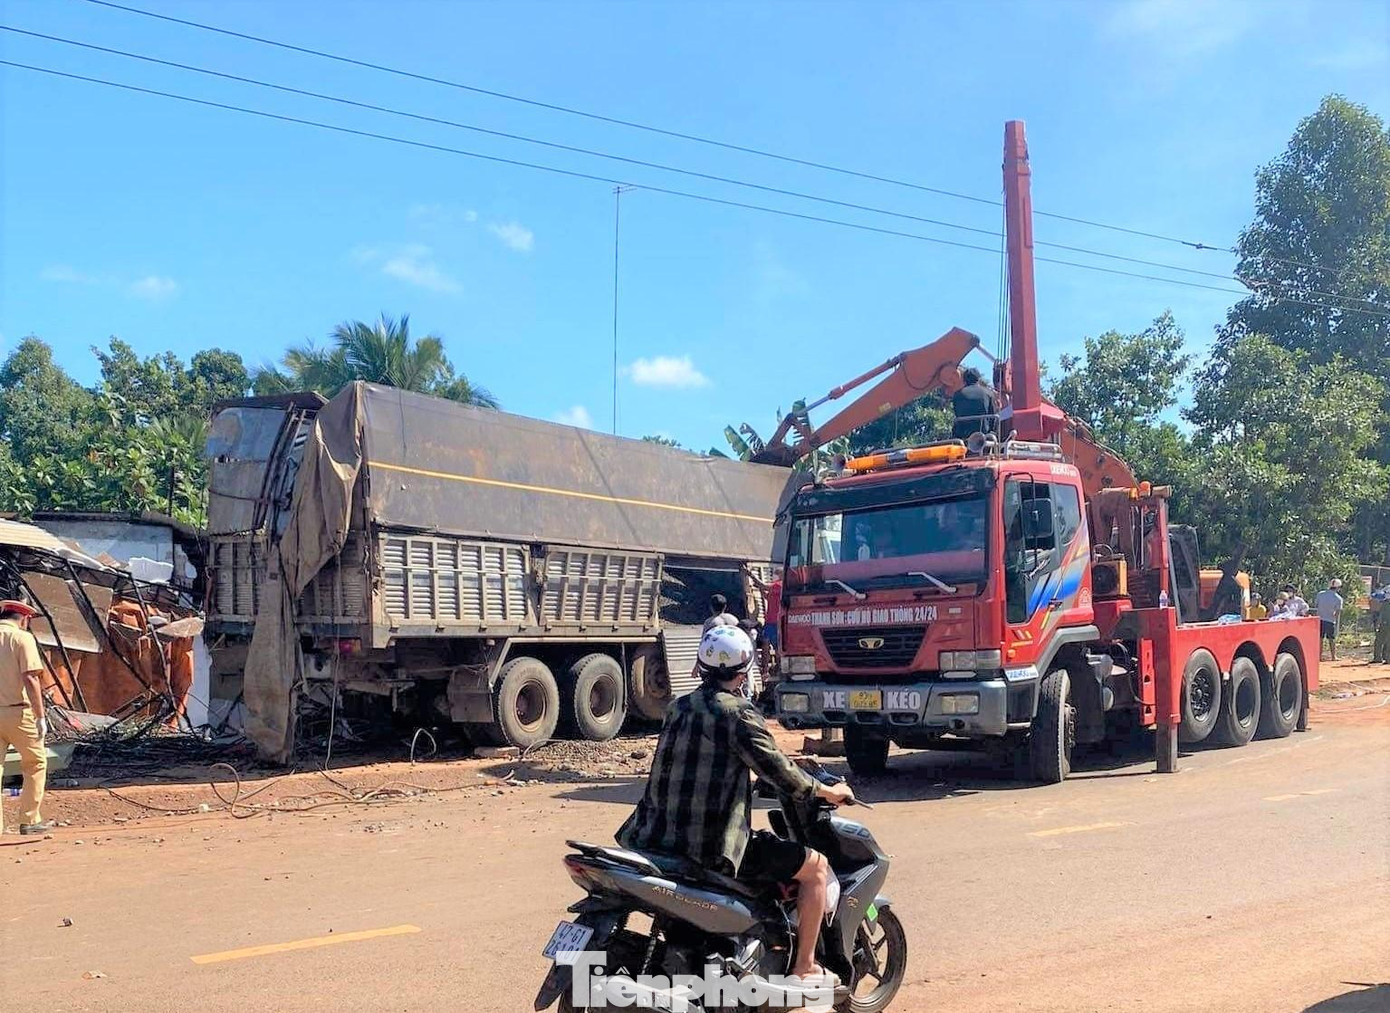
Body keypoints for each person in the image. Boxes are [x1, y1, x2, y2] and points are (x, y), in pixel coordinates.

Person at [617, 625, 854, 986]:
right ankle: (805, 966)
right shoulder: (739, 714)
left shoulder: (678, 707)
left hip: (655, 836)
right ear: (744, 671)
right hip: (712, 847)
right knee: (817, 868)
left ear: (700, 665)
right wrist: (827, 791)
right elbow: (783, 774)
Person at [0, 599, 51, 835]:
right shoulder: (22, 638)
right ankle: (29, 820)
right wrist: (40, 716)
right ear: (24, 618)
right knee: (35, 762)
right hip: (18, 712)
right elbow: (31, 678)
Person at [951, 367, 997, 440]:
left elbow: (957, 414)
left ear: (964, 380)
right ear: (978, 379)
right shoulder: (989, 393)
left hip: (963, 435)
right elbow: (993, 416)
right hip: (983, 434)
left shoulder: (957, 395)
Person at [1314, 579, 1344, 661]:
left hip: (1320, 619)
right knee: (1332, 639)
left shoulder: (1320, 594)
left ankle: (1319, 656)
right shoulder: (1338, 598)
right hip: (1330, 620)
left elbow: (1316, 605)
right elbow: (1338, 612)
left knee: (1320, 638)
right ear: (1338, 587)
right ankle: (1333, 656)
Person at [1373, 593, 1390, 665]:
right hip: (1385, 624)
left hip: (1385, 625)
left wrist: (1377, 624)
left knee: (1379, 641)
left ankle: (1379, 658)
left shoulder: (1385, 604)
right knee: (1385, 642)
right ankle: (1386, 659)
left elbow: (1381, 616)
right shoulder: (1385, 604)